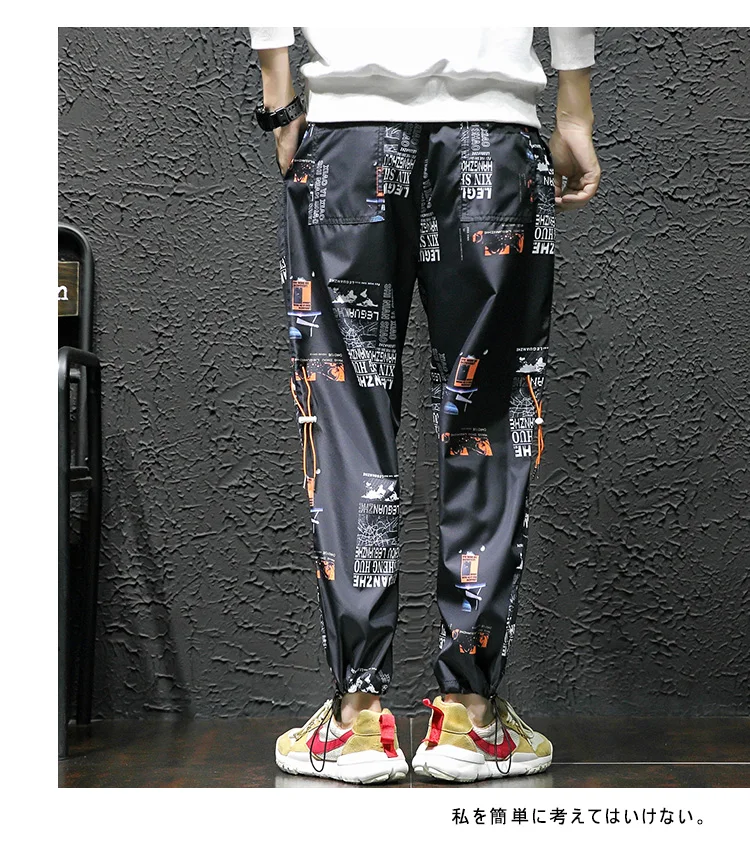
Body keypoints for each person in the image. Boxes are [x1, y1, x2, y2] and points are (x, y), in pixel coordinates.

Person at [249, 26, 601, 784]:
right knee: (489, 417)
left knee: (347, 414)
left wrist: (280, 101)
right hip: (494, 130)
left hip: (348, 135)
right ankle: (470, 717)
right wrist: (574, 106)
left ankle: (356, 720)